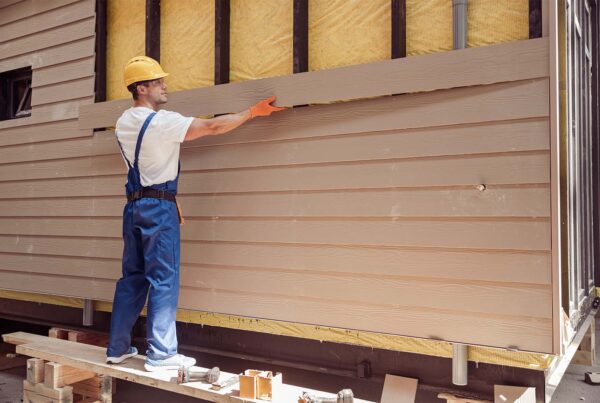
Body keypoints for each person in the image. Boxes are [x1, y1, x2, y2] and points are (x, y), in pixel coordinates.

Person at [105, 56, 284, 371]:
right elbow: (213, 126)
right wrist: (252, 112)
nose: (165, 86)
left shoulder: (123, 123)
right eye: (159, 81)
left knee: (132, 278)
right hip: (159, 208)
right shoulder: (162, 123)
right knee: (163, 278)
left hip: (132, 207)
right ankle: (161, 355)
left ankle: (118, 348)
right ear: (142, 88)